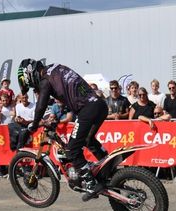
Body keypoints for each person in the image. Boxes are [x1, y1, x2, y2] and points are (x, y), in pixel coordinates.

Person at [17, 59, 109, 201]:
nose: (33, 87)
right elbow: (68, 91)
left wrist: (33, 126)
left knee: (72, 149)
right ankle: (108, 169)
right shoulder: (57, 68)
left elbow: (40, 107)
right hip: (99, 105)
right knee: (88, 140)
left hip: (87, 110)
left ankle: (91, 184)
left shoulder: (45, 80)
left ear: (30, 75)